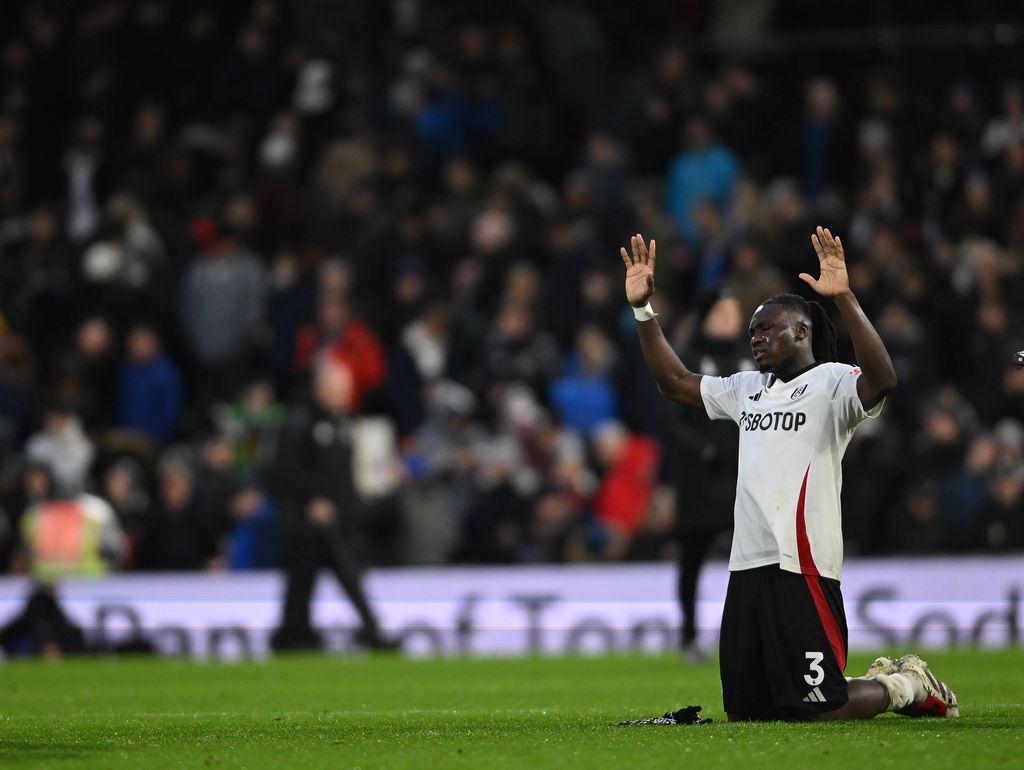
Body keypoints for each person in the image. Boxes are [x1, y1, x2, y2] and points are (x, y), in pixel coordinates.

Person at [620, 226, 958, 721]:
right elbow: (674, 382)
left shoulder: (832, 382)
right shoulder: (747, 388)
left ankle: (904, 685)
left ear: (802, 332)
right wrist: (643, 311)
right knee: (747, 713)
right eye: (752, 331)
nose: (755, 338)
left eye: (767, 328)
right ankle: (888, 685)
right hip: (746, 566)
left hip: (802, 565)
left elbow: (883, 378)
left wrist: (844, 298)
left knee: (822, 707)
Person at [268, 355, 398, 652]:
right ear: (321, 386)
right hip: (306, 524)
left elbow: (349, 476)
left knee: (341, 578)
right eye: (340, 389)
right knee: (306, 581)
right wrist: (310, 501)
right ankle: (297, 635)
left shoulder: (344, 423)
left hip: (338, 522)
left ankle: (303, 634)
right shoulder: (300, 421)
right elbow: (284, 471)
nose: (345, 395)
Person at [660, 288, 751, 661]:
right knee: (692, 558)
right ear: (706, 316)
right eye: (722, 312)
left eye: (734, 312)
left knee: (753, 558)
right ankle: (688, 635)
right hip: (700, 481)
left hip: (746, 478)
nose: (730, 320)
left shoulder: (753, 358)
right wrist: (702, 450)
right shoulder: (689, 358)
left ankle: (751, 635)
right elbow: (670, 419)